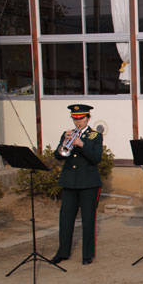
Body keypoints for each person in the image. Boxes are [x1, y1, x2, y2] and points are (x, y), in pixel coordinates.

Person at [51, 104, 103, 265]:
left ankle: (87, 254)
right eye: (75, 118)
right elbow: (58, 156)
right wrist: (64, 143)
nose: (77, 121)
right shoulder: (67, 134)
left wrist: (81, 145)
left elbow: (96, 158)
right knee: (65, 219)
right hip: (70, 182)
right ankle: (63, 252)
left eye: (80, 118)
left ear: (87, 118)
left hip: (88, 183)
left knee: (88, 220)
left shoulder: (95, 136)